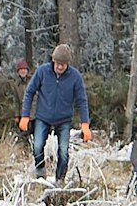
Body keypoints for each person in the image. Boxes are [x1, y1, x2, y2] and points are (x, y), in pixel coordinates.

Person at [18, 44, 92, 184]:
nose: (59, 67)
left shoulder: (75, 77)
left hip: (64, 119)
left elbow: (82, 100)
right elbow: (29, 92)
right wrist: (25, 115)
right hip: (43, 117)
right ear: (53, 61)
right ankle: (40, 175)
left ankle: (60, 180)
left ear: (67, 64)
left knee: (63, 152)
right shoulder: (42, 72)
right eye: (58, 64)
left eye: (63, 65)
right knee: (38, 146)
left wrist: (85, 124)